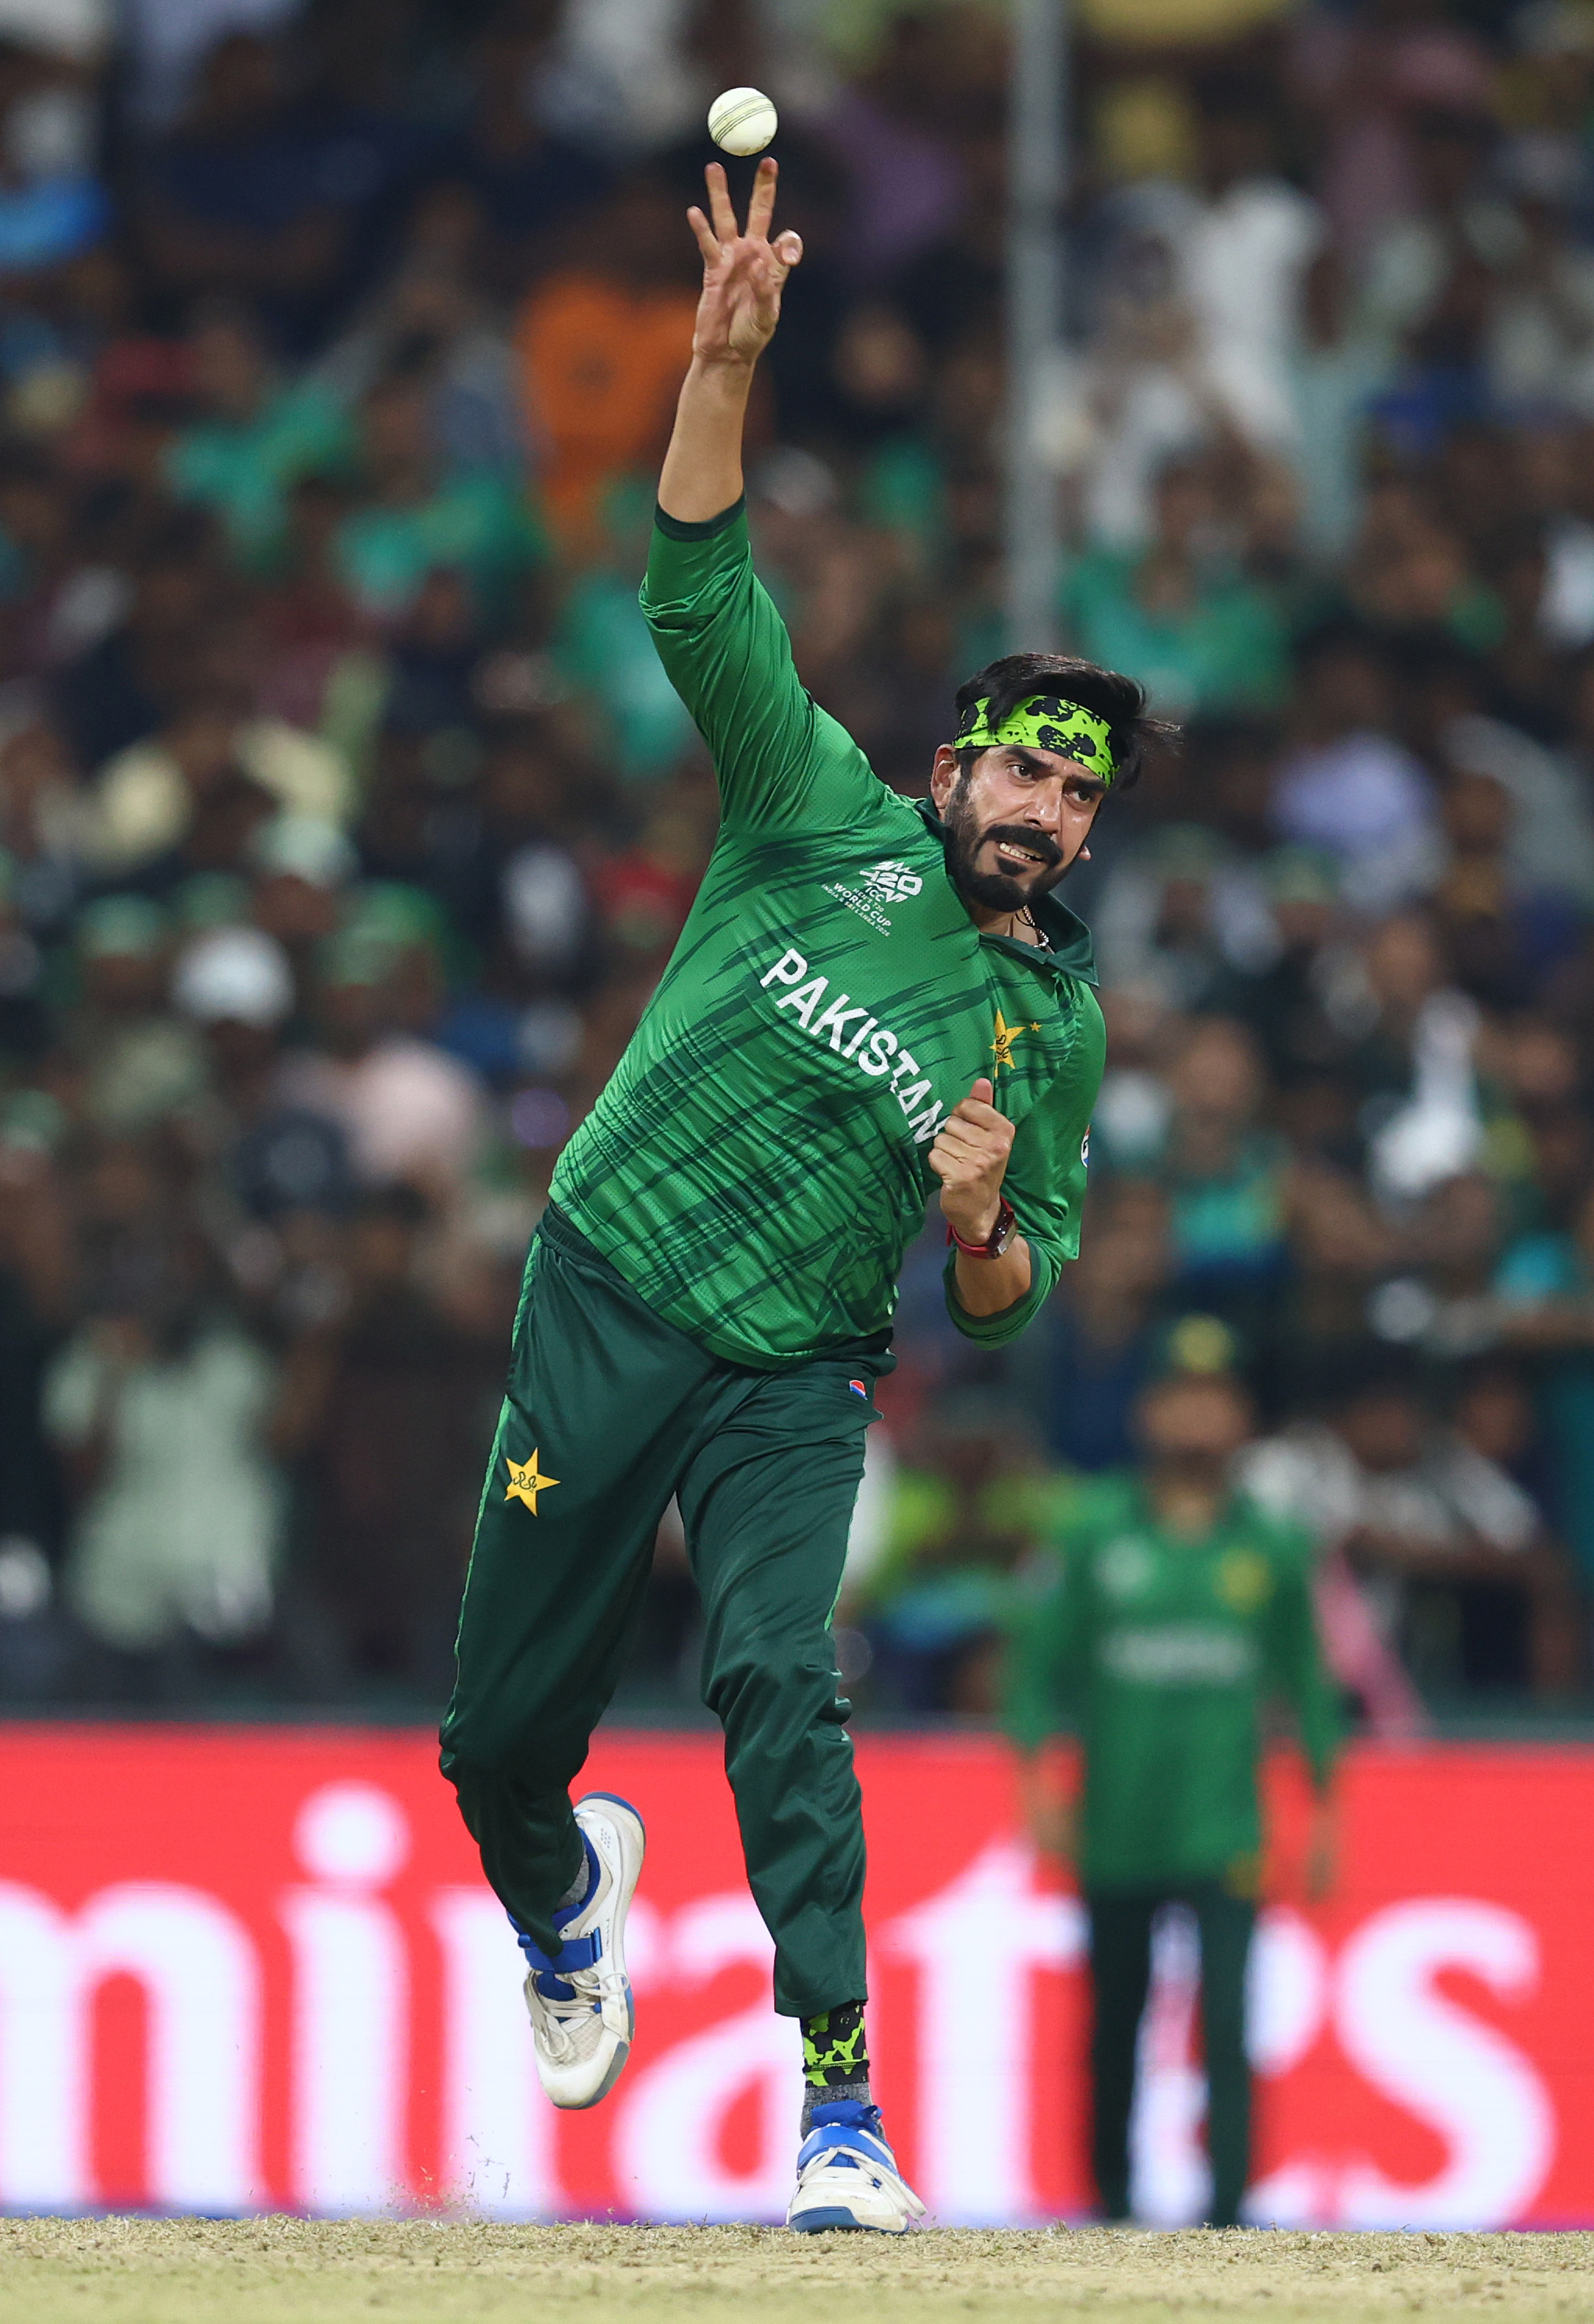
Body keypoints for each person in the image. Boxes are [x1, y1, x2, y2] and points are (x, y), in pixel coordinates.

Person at [438, 159, 1162, 2236]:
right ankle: (564, 1899)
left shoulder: (1051, 1031)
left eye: (1079, 795)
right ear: (953, 768)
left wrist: (977, 1229)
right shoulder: (809, 809)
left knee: (779, 1672)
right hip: (605, 1285)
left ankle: (839, 2105)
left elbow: (1024, 1301)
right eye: (1021, 769)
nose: (1042, 810)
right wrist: (721, 362)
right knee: (494, 1742)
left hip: (797, 1370)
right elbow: (694, 586)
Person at [1005, 1365, 1339, 2228]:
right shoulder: (1095, 1533)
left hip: (1224, 1825)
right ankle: (1109, 2207)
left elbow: (1306, 1679)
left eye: (1216, 1397)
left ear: (1242, 1416)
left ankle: (1230, 2214)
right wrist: (1040, 1780)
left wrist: (1325, 1803)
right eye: (1180, 1396)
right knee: (1114, 2024)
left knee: (1228, 2027)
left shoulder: (1268, 1543)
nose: (1197, 1416)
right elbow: (1039, 1667)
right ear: (1149, 1412)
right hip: (1116, 1825)